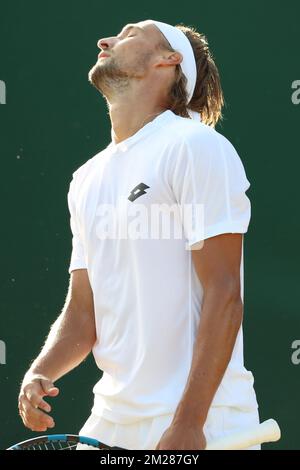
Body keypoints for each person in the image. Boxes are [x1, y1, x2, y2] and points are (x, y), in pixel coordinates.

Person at [18, 19, 259, 450]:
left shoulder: (196, 146)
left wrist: (188, 424)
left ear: (169, 60)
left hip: (204, 422)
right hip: (109, 423)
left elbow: (225, 293)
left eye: (130, 34)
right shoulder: (86, 178)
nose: (105, 40)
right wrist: (42, 370)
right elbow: (83, 313)